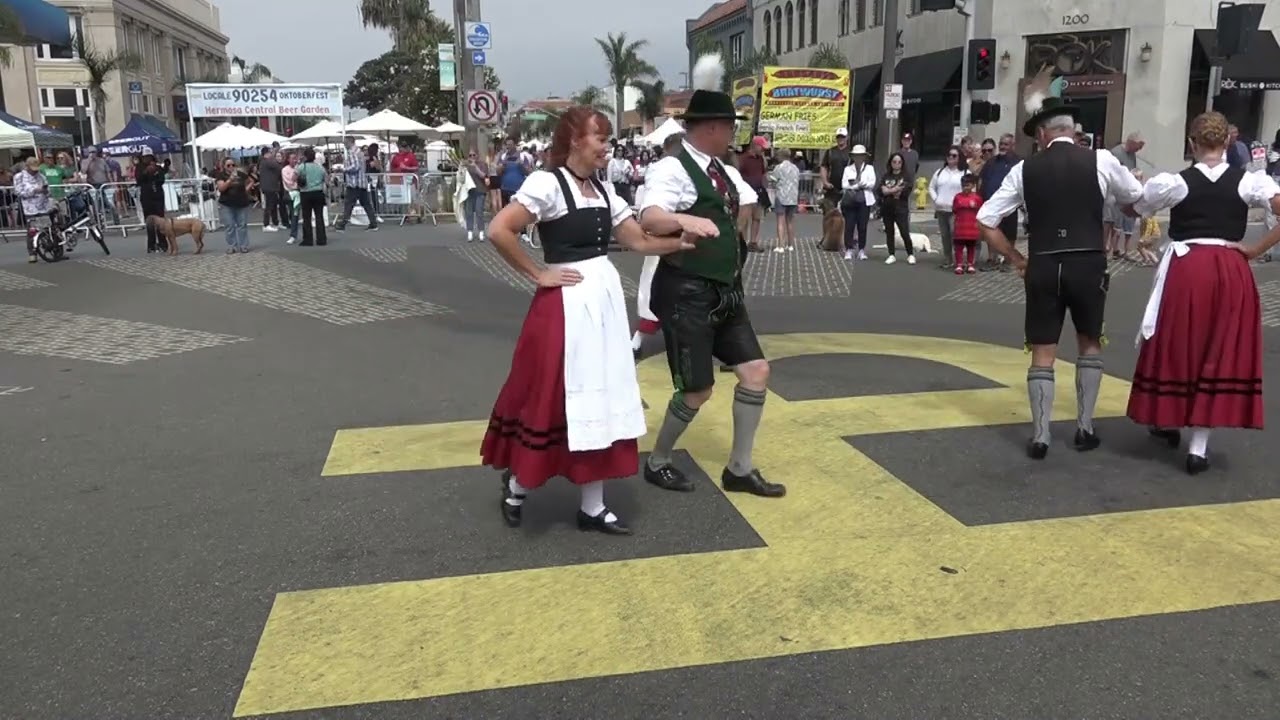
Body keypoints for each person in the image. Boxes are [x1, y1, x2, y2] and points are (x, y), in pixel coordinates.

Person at [480, 106, 714, 535]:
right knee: (552, 394)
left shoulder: (607, 190)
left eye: (608, 138)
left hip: (602, 301)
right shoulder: (546, 183)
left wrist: (682, 239)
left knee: (601, 394)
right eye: (600, 138)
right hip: (564, 303)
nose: (607, 146)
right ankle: (517, 486)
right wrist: (538, 273)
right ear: (574, 141)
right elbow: (500, 229)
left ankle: (592, 506)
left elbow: (641, 241)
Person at [638, 52, 785, 499]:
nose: (735, 134)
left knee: (756, 372)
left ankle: (739, 469)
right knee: (698, 390)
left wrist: (734, 229)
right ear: (713, 127)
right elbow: (650, 215)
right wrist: (685, 221)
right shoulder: (671, 168)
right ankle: (659, 460)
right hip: (686, 292)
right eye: (731, 126)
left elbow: (746, 200)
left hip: (725, 290)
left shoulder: (721, 169)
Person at [977, 70, 1144, 460]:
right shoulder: (1101, 159)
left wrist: (1017, 259)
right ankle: (1084, 428)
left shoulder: (1023, 170)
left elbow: (986, 220)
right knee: (1088, 343)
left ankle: (1041, 435)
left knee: (1043, 350)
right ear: (1072, 129)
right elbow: (1134, 196)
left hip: (1045, 264)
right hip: (1088, 262)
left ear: (1042, 134)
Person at [1124, 111, 1280, 474]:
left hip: (1188, 267)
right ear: (1227, 142)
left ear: (1192, 143)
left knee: (1179, 344)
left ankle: (1167, 418)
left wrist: (1128, 192)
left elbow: (1136, 207)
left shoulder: (1176, 183)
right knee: (1217, 349)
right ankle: (1199, 446)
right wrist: (1256, 250)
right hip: (1230, 266)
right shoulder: (1248, 182)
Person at [632, 131, 688, 355]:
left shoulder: (698, 171)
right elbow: (651, 212)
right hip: (665, 240)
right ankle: (638, 338)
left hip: (687, 242)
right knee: (653, 290)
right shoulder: (664, 170)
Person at [929, 145, 967, 269]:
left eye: (954, 155)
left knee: (954, 233)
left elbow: (970, 189)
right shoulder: (940, 172)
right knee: (945, 235)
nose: (951, 157)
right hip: (941, 209)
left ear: (959, 157)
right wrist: (936, 199)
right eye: (949, 155)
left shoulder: (965, 172)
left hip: (956, 210)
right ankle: (947, 258)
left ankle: (959, 259)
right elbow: (931, 187)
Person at [333, 137, 378, 232]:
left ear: (350, 142)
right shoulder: (360, 152)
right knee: (366, 204)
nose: (344, 145)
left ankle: (343, 223)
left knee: (349, 203)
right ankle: (373, 223)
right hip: (362, 182)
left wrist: (344, 169)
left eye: (345, 142)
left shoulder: (352, 152)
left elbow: (355, 166)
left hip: (354, 183)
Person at [840, 144, 875, 261]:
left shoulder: (870, 168)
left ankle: (861, 249)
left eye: (861, 156)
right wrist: (856, 186)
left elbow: (872, 183)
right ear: (853, 157)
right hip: (850, 200)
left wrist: (861, 184)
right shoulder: (848, 169)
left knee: (862, 226)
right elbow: (844, 184)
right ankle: (848, 249)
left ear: (864, 157)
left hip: (864, 200)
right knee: (849, 225)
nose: (858, 158)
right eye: (856, 156)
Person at [879, 152, 915, 265]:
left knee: (904, 232)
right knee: (890, 232)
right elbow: (880, 191)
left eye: (899, 162)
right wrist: (895, 189)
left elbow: (904, 191)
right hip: (887, 208)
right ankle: (891, 254)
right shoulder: (886, 176)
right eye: (894, 162)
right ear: (890, 163)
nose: (896, 164)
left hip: (901, 208)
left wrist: (889, 190)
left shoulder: (906, 176)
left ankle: (910, 254)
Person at [15, 156, 51, 263]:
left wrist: (45, 191)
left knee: (46, 228)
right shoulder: (19, 177)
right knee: (32, 231)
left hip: (44, 206)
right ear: (27, 167)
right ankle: (32, 253)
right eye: (32, 169)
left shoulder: (41, 176)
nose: (35, 172)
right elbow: (19, 192)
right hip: (30, 208)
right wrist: (34, 190)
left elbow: (48, 191)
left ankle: (50, 248)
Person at [215, 157, 254, 254]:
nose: (231, 167)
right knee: (230, 226)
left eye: (233, 165)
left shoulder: (240, 174)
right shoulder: (221, 176)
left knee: (242, 225)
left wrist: (246, 190)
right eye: (228, 165)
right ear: (224, 166)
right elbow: (221, 189)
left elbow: (251, 181)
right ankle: (232, 246)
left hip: (241, 203)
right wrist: (229, 180)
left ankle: (243, 246)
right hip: (227, 204)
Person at [950, 173, 983, 274]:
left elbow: (981, 211)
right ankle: (959, 264)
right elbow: (954, 210)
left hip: (972, 227)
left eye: (968, 185)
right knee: (959, 247)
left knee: (971, 246)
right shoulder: (957, 197)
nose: (965, 187)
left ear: (973, 186)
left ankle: (970, 264)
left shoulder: (977, 198)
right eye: (963, 185)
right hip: (960, 226)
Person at [295, 148, 328, 246]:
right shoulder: (320, 167)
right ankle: (321, 239)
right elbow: (326, 180)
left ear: (305, 156)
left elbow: (294, 177)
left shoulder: (301, 167)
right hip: (318, 192)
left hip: (306, 193)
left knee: (307, 217)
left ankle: (308, 239)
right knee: (319, 216)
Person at [136, 154, 169, 253]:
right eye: (145, 157)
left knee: (160, 220)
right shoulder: (140, 168)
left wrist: (157, 172)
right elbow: (139, 180)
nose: (148, 159)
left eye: (149, 157)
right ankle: (151, 245)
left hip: (158, 196)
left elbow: (162, 180)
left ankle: (163, 243)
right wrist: (146, 172)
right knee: (150, 220)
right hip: (146, 196)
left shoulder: (158, 167)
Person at [769, 146, 800, 253]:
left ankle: (781, 246)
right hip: (793, 197)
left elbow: (772, 180)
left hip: (781, 196)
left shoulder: (778, 168)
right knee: (790, 221)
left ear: (781, 156)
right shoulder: (795, 168)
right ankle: (790, 245)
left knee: (780, 221)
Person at [463, 149, 489, 242]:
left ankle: (481, 232)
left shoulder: (483, 164)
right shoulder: (466, 165)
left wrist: (475, 167)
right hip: (469, 192)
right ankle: (470, 231)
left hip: (480, 191)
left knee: (479, 212)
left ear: (478, 156)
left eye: (474, 155)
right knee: (468, 212)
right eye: (470, 155)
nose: (472, 157)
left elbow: (483, 176)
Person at [258, 148, 286, 232]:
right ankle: (266, 224)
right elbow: (278, 167)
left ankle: (275, 222)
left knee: (273, 205)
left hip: (271, 186)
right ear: (266, 153)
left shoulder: (264, 162)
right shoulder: (267, 161)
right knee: (269, 205)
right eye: (270, 153)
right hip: (269, 187)